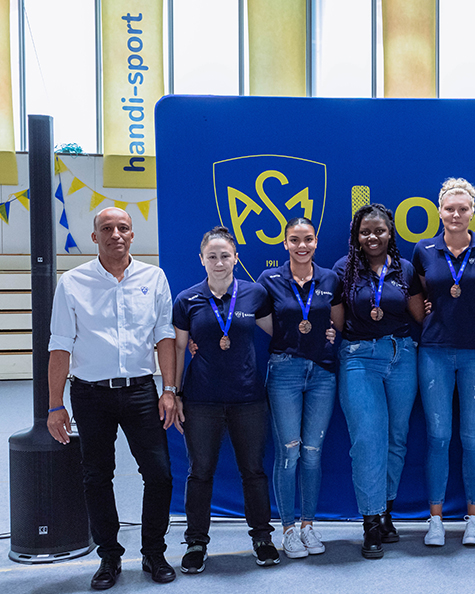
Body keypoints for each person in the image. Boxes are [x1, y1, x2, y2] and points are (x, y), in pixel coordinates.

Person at [47, 207, 178, 590]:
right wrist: (55, 405)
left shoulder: (153, 278)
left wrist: (169, 390)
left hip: (141, 392)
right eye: (107, 228)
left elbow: (164, 336)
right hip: (89, 394)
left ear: (132, 235)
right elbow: (60, 345)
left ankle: (154, 552)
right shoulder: (72, 282)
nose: (116, 234)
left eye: (123, 227)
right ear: (95, 237)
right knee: (96, 477)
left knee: (159, 474)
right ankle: (109, 556)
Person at [172, 226, 279, 572]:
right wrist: (173, 392)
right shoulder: (187, 300)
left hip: (248, 398)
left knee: (254, 471)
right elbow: (177, 348)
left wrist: (323, 330)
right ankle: (195, 542)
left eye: (225, 256)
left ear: (236, 258)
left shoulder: (255, 294)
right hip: (201, 400)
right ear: (201, 260)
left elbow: (280, 332)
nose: (219, 262)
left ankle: (262, 538)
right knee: (200, 472)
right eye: (212, 256)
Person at [412, 178, 475, 546]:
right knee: (438, 436)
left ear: (473, 212)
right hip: (434, 352)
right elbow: (419, 295)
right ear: (439, 211)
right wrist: (431, 315)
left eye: (463, 209)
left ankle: (474, 520)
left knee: (473, 438)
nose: (456, 215)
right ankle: (435, 520)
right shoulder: (424, 250)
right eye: (450, 208)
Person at [334, 204, 425, 559]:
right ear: (356, 236)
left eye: (379, 231)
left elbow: (419, 314)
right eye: (365, 232)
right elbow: (337, 322)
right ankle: (370, 521)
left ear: (390, 233)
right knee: (368, 440)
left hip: (402, 355)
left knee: (396, 439)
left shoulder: (405, 269)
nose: (372, 237)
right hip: (360, 357)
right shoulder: (343, 270)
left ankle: (385, 511)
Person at [257, 217, 343, 559]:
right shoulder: (269, 280)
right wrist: (290, 338)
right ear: (285, 243)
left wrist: (327, 333)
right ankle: (288, 529)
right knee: (288, 452)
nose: (301, 246)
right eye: (294, 240)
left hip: (322, 372)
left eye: (307, 239)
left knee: (312, 452)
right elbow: (263, 322)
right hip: (285, 371)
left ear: (316, 241)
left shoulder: (330, 278)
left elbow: (337, 321)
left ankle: (308, 525)